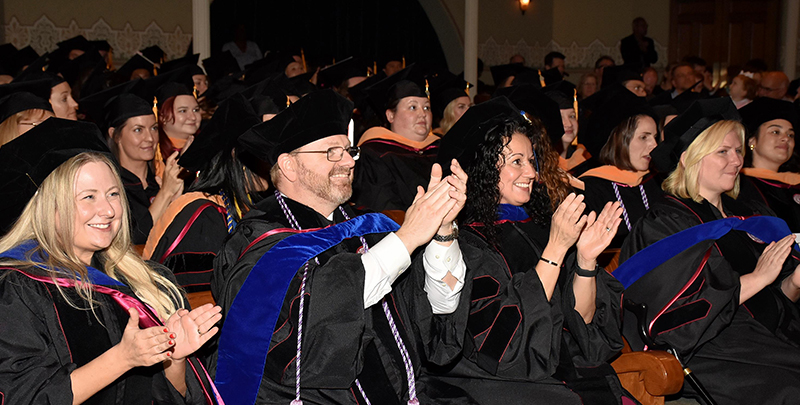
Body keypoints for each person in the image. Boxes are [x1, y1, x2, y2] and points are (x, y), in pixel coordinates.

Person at [209, 89, 469, 404]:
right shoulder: (259, 241)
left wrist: (441, 232)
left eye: (348, 150)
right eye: (331, 151)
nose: (347, 160)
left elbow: (437, 308)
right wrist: (410, 236)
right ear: (289, 166)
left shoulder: (368, 230)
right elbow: (322, 311)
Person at [0, 118, 223, 404]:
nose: (107, 209)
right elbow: (24, 397)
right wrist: (122, 358)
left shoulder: (143, 280)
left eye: (113, 194)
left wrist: (175, 356)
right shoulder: (18, 289)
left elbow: (172, 394)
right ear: (49, 206)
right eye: (88, 197)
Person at [427, 96, 630, 404]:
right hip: (501, 383)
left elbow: (584, 325)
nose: (532, 173)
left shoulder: (544, 227)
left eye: (531, 160)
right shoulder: (467, 244)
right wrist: (556, 249)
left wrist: (586, 261)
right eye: (516, 162)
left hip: (563, 369)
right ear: (483, 168)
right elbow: (506, 346)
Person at [618, 98, 800, 404]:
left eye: (739, 151)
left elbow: (778, 304)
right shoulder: (665, 225)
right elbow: (674, 319)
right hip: (711, 352)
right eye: (723, 152)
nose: (737, 161)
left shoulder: (747, 217)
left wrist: (793, 282)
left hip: (764, 339)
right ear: (689, 158)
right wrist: (758, 278)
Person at [144, 93, 262, 292]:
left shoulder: (240, 203)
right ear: (237, 158)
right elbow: (196, 297)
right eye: (261, 152)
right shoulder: (203, 215)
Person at [579, 89, 662, 249]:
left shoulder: (659, 183)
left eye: (655, 137)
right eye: (644, 137)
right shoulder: (589, 190)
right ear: (619, 140)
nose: (654, 145)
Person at [353, 65, 441, 212]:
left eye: (427, 107)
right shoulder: (374, 153)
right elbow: (382, 207)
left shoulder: (440, 149)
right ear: (390, 116)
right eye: (413, 107)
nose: (422, 114)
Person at [104, 93, 184, 245]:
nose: (150, 138)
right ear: (115, 135)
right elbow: (135, 238)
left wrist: (175, 203)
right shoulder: (110, 188)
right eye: (138, 130)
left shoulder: (156, 182)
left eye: (153, 128)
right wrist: (165, 193)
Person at [737, 97, 800, 232]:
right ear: (752, 141)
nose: (785, 138)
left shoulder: (795, 184)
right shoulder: (739, 185)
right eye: (775, 132)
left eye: (791, 135)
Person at [156, 82, 201, 159]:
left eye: (196, 110)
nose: (193, 117)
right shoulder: (154, 154)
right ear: (162, 117)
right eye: (183, 111)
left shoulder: (208, 146)